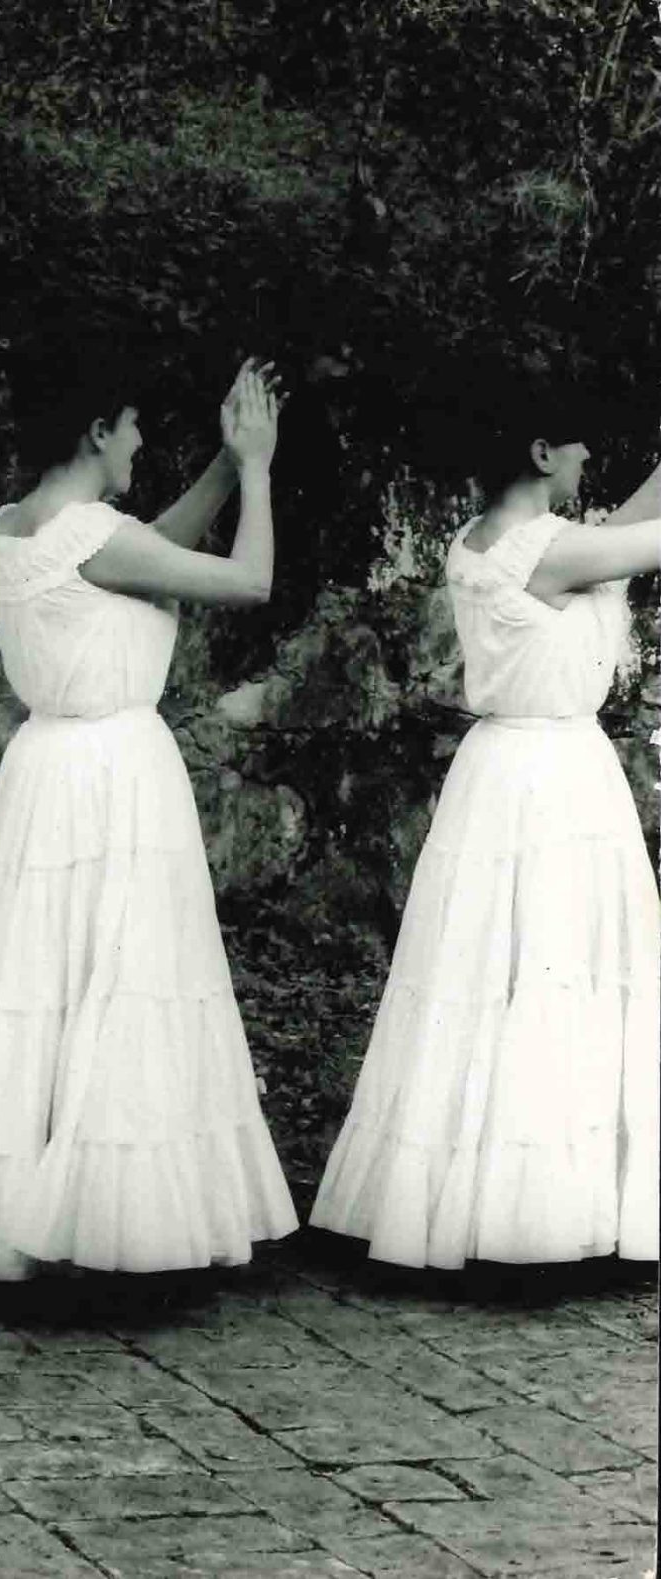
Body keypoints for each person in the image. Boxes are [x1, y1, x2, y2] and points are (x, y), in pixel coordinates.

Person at [0, 355, 297, 1282]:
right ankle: (104, 1218)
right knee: (115, 980)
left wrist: (220, 456)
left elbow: (148, 545)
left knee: (32, 985)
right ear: (96, 430)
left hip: (46, 771)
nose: (139, 442)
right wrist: (254, 467)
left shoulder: (13, 528)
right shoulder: (92, 536)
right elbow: (250, 581)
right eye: (131, 425)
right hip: (116, 774)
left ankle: (0, 1202)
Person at [311, 395, 660, 1270]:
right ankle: (536, 1210)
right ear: (541, 451)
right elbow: (634, 544)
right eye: (577, 445)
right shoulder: (550, 551)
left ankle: (477, 1197)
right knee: (553, 971)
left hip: (502, 770)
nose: (588, 460)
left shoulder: (478, 540)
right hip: (556, 780)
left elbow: (614, 535)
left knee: (491, 978)